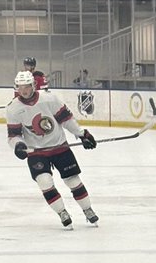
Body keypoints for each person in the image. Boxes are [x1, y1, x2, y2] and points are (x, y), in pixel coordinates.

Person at [6, 69, 98, 229]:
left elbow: (66, 119)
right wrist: (18, 145)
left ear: (33, 85)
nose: (24, 90)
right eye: (20, 87)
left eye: (27, 86)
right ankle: (62, 212)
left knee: (72, 180)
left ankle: (87, 209)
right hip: (37, 151)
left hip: (59, 146)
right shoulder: (13, 108)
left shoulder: (50, 98)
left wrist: (82, 134)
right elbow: (13, 135)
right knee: (44, 181)